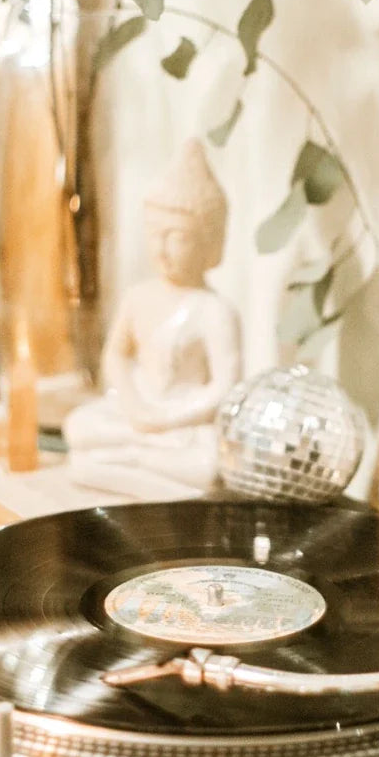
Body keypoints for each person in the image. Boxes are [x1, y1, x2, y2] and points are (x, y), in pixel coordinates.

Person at [62, 139, 242, 499]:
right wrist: (134, 406)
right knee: (79, 426)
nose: (161, 248)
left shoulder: (214, 310)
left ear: (209, 243)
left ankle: (129, 460)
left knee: (208, 466)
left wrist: (166, 418)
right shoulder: (138, 296)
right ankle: (135, 460)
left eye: (176, 238)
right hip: (137, 409)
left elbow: (225, 388)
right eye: (154, 234)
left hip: (183, 422)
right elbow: (115, 355)